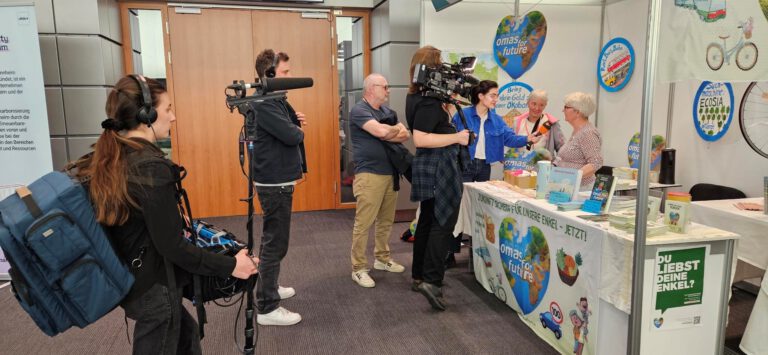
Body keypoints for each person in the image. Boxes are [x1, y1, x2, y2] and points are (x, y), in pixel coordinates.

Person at [70, 75, 259, 354]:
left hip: (131, 280)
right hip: (153, 291)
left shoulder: (113, 154)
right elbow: (172, 246)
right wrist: (231, 266)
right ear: (147, 113)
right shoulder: (149, 168)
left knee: (186, 337)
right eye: (168, 109)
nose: (173, 117)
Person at [406, 45, 470, 311]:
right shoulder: (430, 101)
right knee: (441, 225)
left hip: (429, 167)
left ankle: (420, 275)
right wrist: (457, 136)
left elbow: (428, 129)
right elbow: (421, 138)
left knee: (428, 222)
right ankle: (432, 281)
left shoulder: (417, 97)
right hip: (438, 166)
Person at [448, 80, 538, 266]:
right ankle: (450, 252)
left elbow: (510, 138)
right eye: (493, 95)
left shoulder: (496, 119)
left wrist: (526, 139)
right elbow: (451, 139)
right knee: (457, 208)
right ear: (481, 96)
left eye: (497, 95)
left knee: (479, 208)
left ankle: (476, 251)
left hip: (484, 167)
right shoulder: (462, 115)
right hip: (463, 165)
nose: (496, 99)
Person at [251, 49, 307, 325]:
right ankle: (267, 308)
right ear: (269, 74)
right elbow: (291, 134)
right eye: (285, 72)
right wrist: (297, 127)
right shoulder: (264, 101)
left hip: (277, 179)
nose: (290, 77)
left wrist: (293, 123)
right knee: (275, 243)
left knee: (273, 239)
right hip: (274, 181)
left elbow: (290, 127)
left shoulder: (273, 99)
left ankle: (269, 288)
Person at [349, 73, 410, 287]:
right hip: (369, 175)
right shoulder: (359, 110)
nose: (388, 90)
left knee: (386, 221)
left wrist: (388, 131)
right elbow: (380, 132)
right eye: (385, 86)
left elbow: (405, 134)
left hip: (390, 173)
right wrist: (390, 130)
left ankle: (382, 259)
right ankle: (358, 268)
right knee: (363, 223)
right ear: (371, 88)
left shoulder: (386, 111)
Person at [552, 92, 603, 189]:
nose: (563, 110)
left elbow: (596, 162)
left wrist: (572, 177)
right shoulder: (578, 131)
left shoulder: (588, 133)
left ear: (578, 112)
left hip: (582, 189)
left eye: (566, 107)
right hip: (569, 187)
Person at [513, 89, 565, 157]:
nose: (537, 108)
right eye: (534, 104)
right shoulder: (518, 122)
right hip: (520, 166)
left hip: (542, 166)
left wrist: (555, 164)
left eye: (541, 105)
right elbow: (511, 145)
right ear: (528, 103)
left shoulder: (550, 123)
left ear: (545, 105)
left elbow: (562, 149)